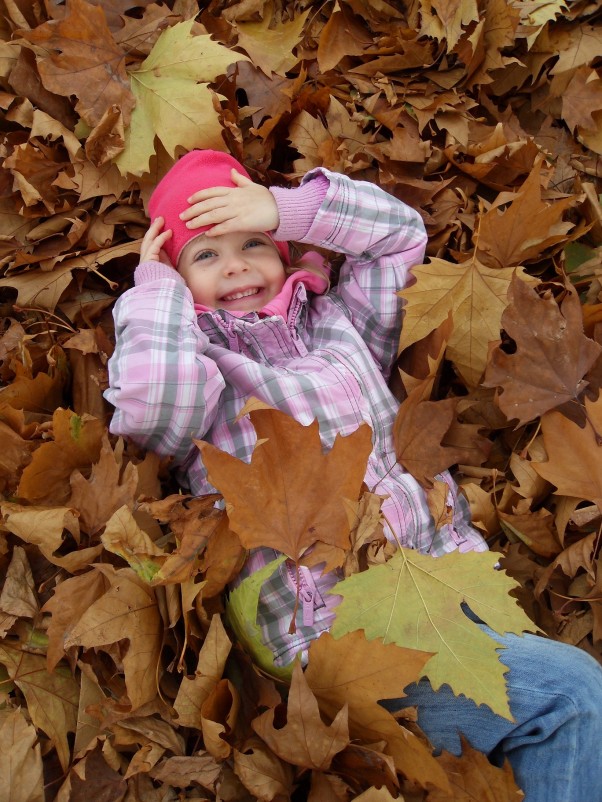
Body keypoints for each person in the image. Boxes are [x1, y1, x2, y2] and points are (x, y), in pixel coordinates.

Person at [105, 149, 602, 801]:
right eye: (204, 255)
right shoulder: (207, 371)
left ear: (285, 250)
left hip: (444, 597)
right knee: (575, 698)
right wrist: (155, 290)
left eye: (252, 241)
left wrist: (288, 207)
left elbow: (400, 236)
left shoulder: (341, 325)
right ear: (177, 282)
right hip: (336, 640)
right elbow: (147, 402)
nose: (234, 263)